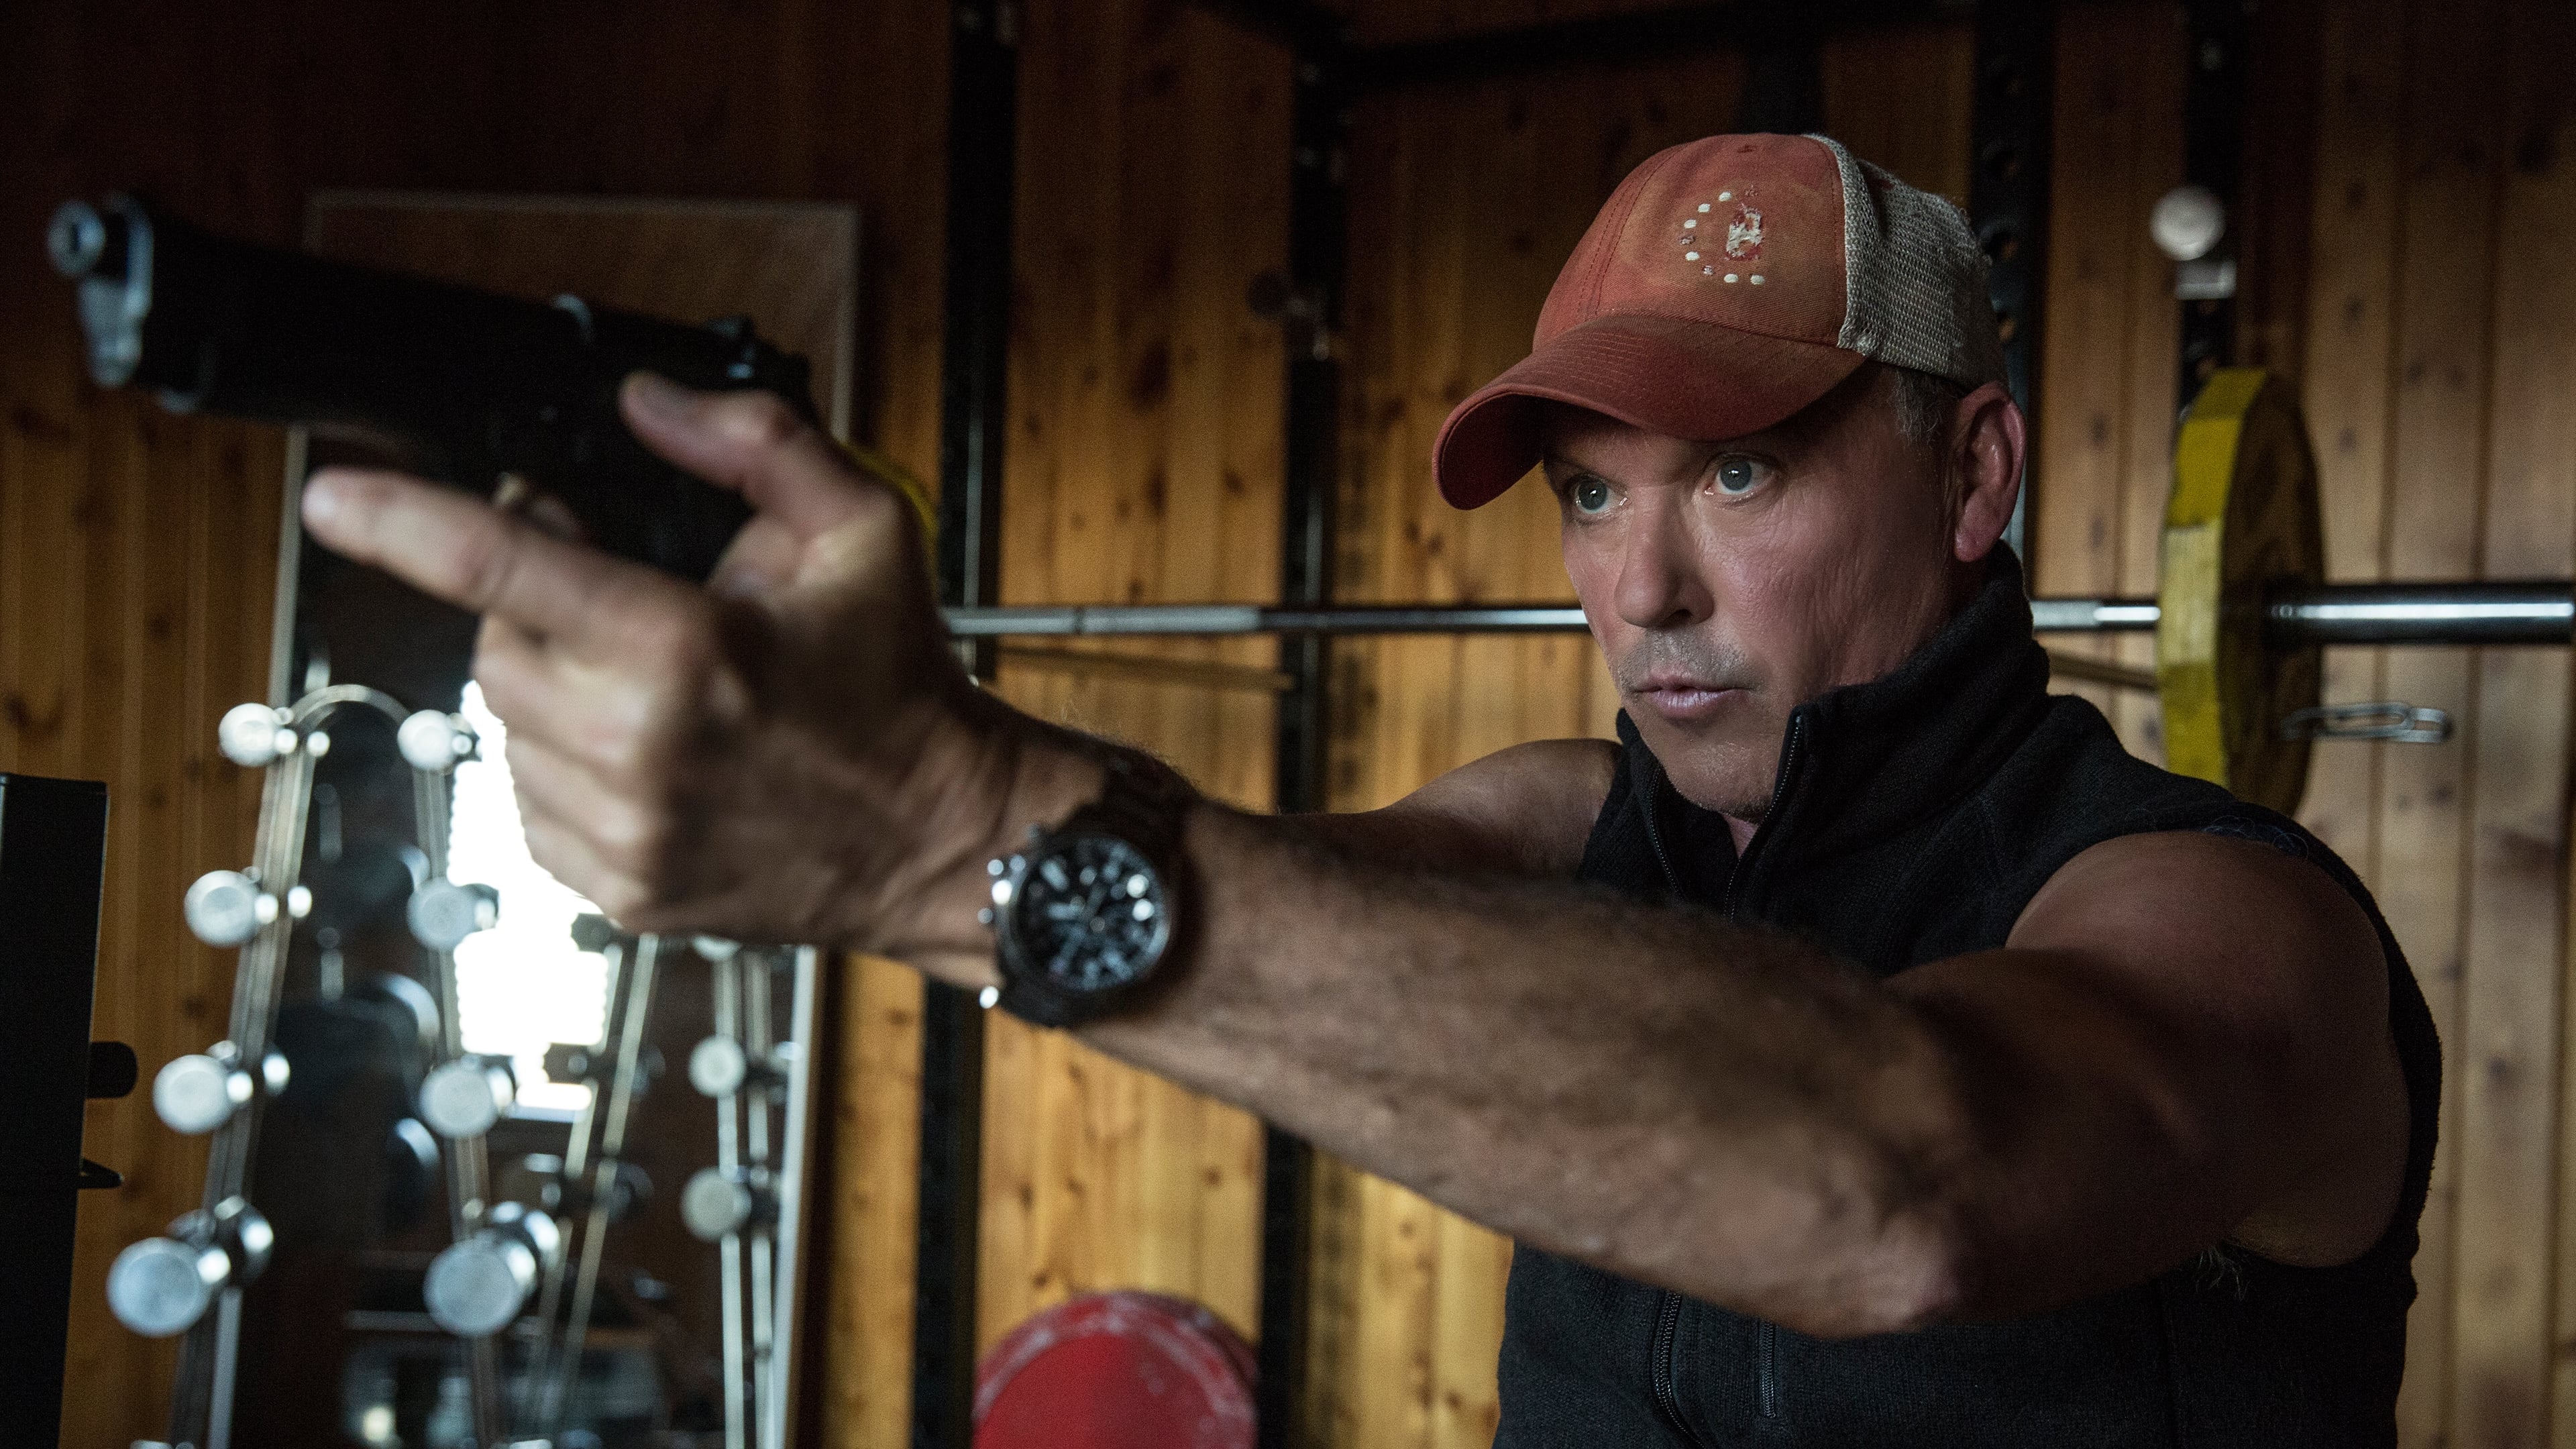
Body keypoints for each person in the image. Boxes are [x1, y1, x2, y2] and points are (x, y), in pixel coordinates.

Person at [299, 133, 2434, 1445]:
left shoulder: (2228, 923)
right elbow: (1243, 897)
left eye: (1741, 473)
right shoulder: (1563, 824)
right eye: (1591, 495)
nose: (1643, 588)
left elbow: (1912, 1182)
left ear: (1974, 476)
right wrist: (850, 735)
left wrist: (950, 826)